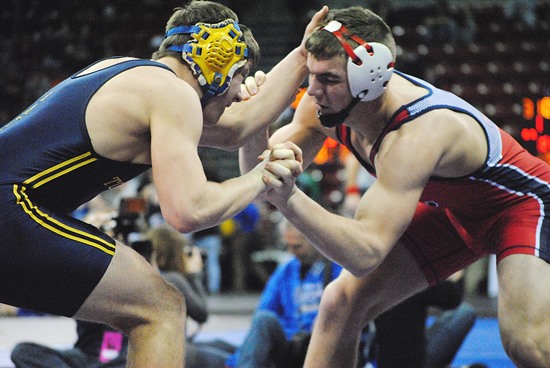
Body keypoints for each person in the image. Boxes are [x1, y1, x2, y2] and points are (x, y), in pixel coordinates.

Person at [0, 1, 328, 366]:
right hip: (9, 208)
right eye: (241, 75)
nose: (239, 94)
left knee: (151, 305)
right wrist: (262, 177)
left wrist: (302, 57)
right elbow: (188, 211)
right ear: (218, 62)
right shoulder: (174, 94)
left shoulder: (130, 77)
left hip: (12, 206)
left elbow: (239, 127)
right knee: (161, 308)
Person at [240, 5, 550, 368]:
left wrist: (290, 197)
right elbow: (260, 182)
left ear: (369, 80)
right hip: (453, 210)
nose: (313, 91)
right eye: (311, 75)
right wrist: (254, 123)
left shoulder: (416, 133)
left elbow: (365, 253)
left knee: (526, 342)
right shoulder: (324, 106)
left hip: (521, 205)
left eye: (328, 80)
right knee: (339, 303)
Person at [225, 219, 342, 368]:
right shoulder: (286, 270)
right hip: (289, 345)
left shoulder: (337, 269)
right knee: (263, 320)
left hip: (322, 344)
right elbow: (264, 311)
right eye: (287, 246)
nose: (291, 252)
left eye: (297, 247)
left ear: (314, 240)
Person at [147, 225, 235, 368]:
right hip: (177, 353)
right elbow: (202, 314)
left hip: (169, 349)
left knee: (224, 345)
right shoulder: (173, 279)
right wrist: (195, 275)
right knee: (237, 360)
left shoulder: (155, 277)